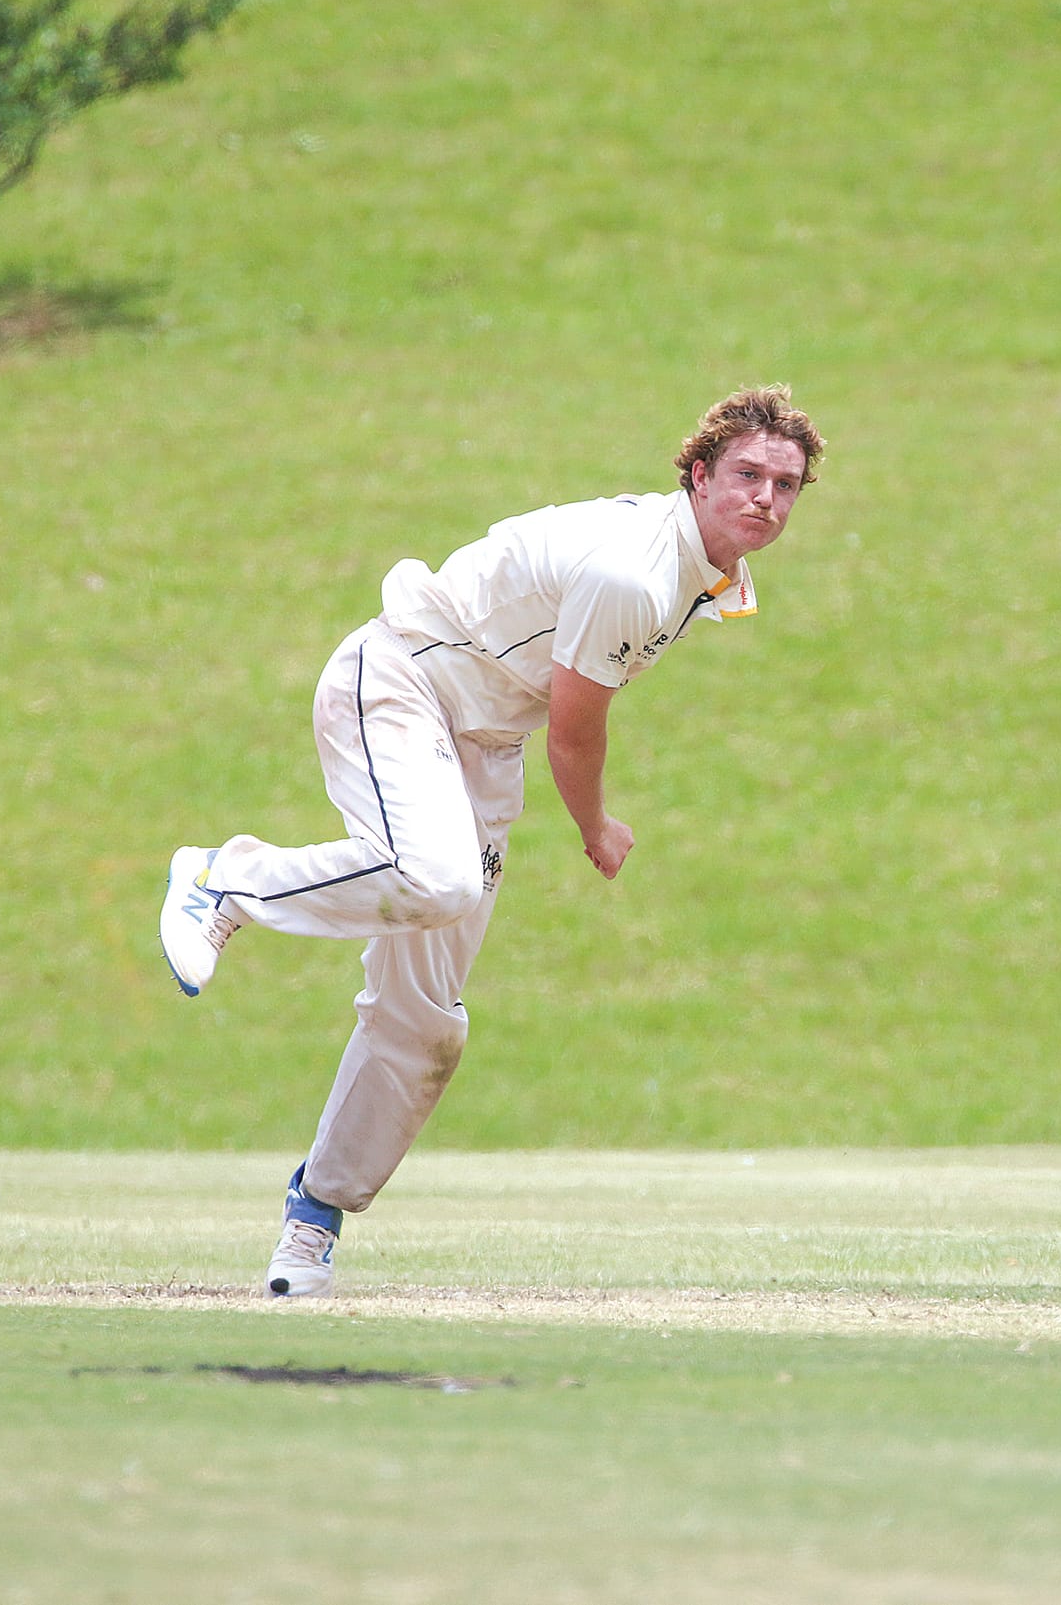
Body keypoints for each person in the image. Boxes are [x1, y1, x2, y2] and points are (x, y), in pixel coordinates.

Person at [159, 385, 825, 1297]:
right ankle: (225, 880)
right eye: (747, 475)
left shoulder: (705, 572)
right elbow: (576, 730)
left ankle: (312, 1218)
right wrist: (595, 824)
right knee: (436, 880)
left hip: (482, 743)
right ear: (699, 474)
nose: (766, 499)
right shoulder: (634, 570)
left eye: (786, 485)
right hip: (404, 681)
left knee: (427, 1020)